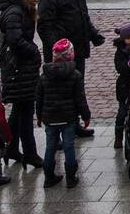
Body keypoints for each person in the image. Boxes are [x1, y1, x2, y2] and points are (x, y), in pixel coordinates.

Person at [37, 0, 104, 137]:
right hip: (60, 54)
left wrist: (93, 34)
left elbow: (83, 16)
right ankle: (56, 133)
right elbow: (44, 26)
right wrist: (57, 50)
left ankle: (74, 126)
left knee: (76, 88)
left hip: (78, 50)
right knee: (58, 93)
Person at [0, 0, 44, 170]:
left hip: (20, 70)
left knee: (19, 111)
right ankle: (30, 153)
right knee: (25, 113)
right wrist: (33, 51)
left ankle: (12, 148)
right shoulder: (16, 12)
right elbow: (15, 40)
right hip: (18, 69)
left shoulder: (21, 9)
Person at [36, 39, 90, 189]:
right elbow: (80, 99)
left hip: (50, 118)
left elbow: (39, 98)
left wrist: (39, 115)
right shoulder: (75, 74)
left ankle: (48, 177)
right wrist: (86, 116)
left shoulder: (44, 75)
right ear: (71, 54)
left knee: (50, 147)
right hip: (68, 118)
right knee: (69, 147)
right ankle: (71, 178)